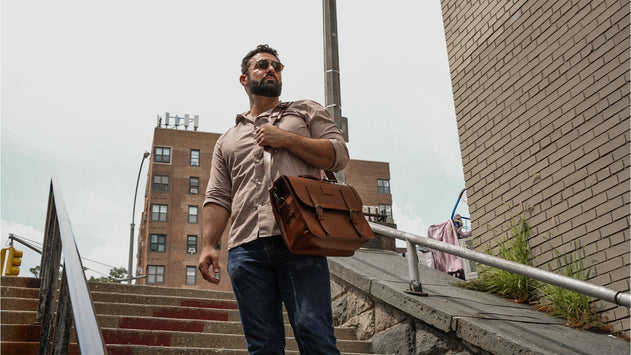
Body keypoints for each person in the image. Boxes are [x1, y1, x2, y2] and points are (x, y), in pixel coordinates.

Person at [197, 44, 349, 355]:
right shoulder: (227, 138)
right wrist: (210, 244)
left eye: (277, 67)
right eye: (263, 65)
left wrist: (287, 139)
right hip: (245, 250)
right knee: (263, 347)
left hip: (301, 241)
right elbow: (218, 195)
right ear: (244, 79)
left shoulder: (304, 111)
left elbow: (339, 155)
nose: (272, 70)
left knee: (315, 334)